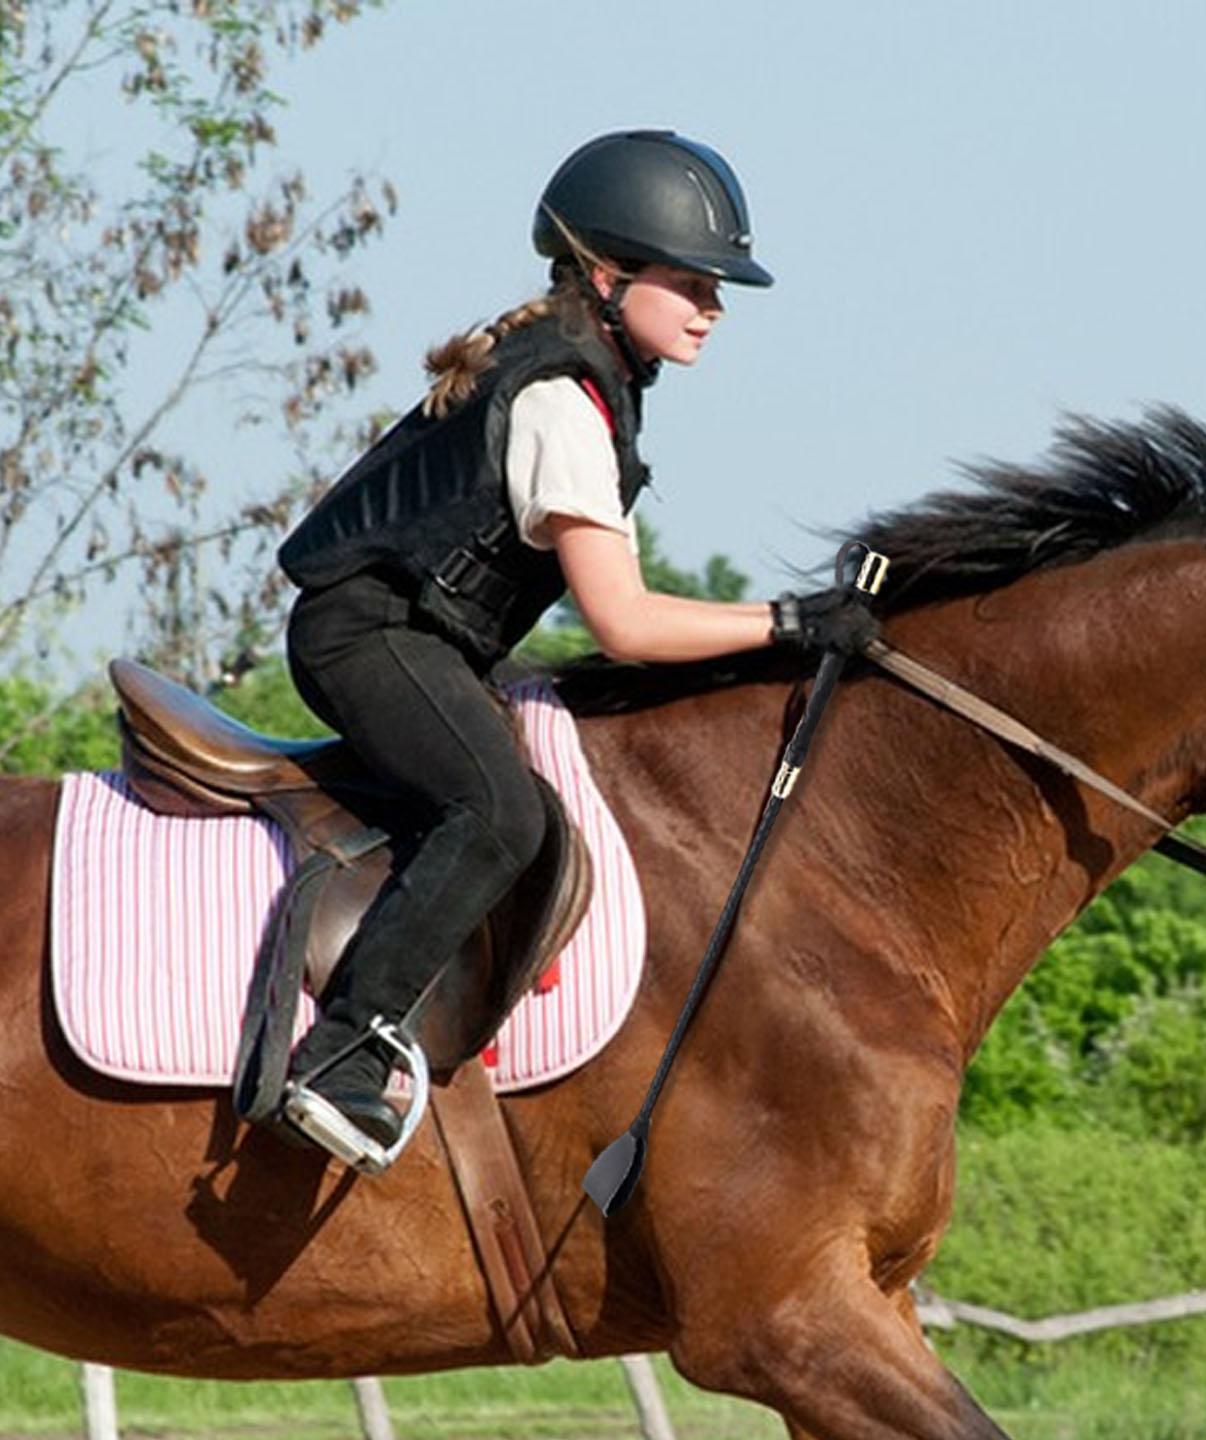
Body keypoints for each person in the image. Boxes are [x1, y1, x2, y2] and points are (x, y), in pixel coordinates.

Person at [274, 129, 873, 1162]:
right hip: (364, 635)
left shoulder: (592, 378)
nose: (712, 308)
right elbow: (626, 623)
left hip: (424, 635)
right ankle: (343, 1051)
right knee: (496, 808)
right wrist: (789, 621)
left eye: (715, 287)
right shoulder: (561, 399)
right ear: (607, 275)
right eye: (690, 283)